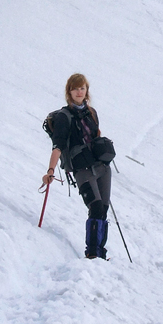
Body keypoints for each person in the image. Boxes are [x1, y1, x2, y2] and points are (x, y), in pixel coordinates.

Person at [41, 73, 112, 259]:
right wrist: (50, 171)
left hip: (102, 167)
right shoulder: (64, 117)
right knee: (95, 207)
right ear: (69, 92)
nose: (79, 92)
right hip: (83, 169)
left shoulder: (92, 112)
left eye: (82, 88)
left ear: (87, 90)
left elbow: (96, 135)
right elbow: (58, 146)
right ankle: (92, 253)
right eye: (75, 88)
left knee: (103, 209)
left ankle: (100, 252)